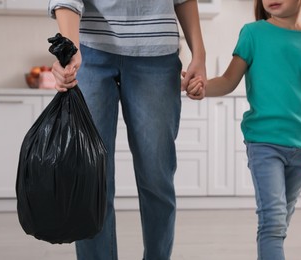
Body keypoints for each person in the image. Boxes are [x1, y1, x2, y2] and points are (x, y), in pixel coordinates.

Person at [48, 1, 206, 259]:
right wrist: (69, 49)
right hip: (90, 52)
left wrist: (199, 55)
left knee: (157, 178)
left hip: (157, 55)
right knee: (92, 179)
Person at [186, 0, 301, 259]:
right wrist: (202, 88)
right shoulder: (253, 33)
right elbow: (227, 81)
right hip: (264, 144)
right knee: (273, 220)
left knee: (279, 224)